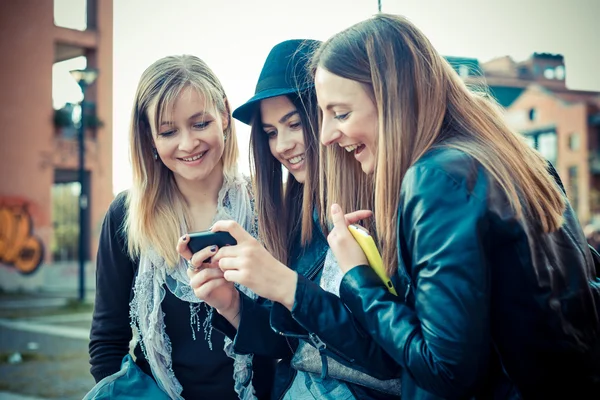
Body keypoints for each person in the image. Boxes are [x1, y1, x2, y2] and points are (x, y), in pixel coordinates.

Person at [313, 14, 600, 400]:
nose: (328, 135)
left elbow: (446, 370)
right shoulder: (511, 157)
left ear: (394, 99)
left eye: (341, 113)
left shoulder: (435, 179)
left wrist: (358, 277)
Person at [176, 39, 401, 399]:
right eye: (270, 133)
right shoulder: (294, 216)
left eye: (293, 124)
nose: (281, 146)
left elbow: (393, 358)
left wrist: (289, 286)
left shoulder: (385, 201)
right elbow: (288, 346)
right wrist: (230, 303)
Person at [88, 55, 274, 400]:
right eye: (169, 131)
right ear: (150, 139)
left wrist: (233, 305)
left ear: (223, 115)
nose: (188, 144)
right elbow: (107, 341)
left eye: (200, 123)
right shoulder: (125, 216)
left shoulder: (270, 206)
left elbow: (288, 337)